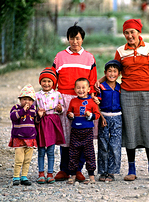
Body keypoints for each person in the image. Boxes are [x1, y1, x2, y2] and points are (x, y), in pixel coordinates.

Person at [95, 19, 149, 181]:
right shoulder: (120, 51)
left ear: (139, 32)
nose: (129, 35)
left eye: (132, 32)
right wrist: (100, 81)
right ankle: (131, 169)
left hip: (147, 93)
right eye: (126, 32)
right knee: (130, 130)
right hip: (126, 94)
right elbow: (114, 71)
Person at [52, 23, 97, 182]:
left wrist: (92, 99)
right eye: (72, 38)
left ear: (82, 39)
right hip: (64, 99)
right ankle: (64, 169)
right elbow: (53, 79)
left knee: (83, 135)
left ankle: (78, 169)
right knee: (66, 136)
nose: (75, 41)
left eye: (77, 38)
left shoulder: (89, 58)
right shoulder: (60, 56)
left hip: (83, 101)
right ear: (68, 39)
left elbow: (92, 81)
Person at [34, 67, 66, 184]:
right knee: (41, 150)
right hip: (42, 123)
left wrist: (59, 108)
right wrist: (38, 113)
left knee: (51, 150)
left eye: (49, 81)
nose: (46, 84)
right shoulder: (37, 95)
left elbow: (62, 108)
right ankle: (41, 174)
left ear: (53, 82)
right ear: (40, 82)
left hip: (52, 123)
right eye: (44, 81)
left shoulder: (57, 94)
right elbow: (33, 110)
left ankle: (50, 173)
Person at [66, 78, 100, 184]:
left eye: (83, 88)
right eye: (78, 88)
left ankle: (91, 177)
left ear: (89, 89)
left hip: (87, 132)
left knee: (89, 154)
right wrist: (70, 115)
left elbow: (97, 115)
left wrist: (91, 115)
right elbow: (69, 112)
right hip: (75, 132)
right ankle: (72, 175)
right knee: (73, 154)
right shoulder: (73, 101)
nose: (81, 90)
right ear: (75, 89)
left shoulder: (92, 102)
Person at [9, 84, 44, 186]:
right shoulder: (16, 108)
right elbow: (13, 117)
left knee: (27, 159)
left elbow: (35, 121)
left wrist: (40, 116)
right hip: (19, 138)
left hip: (31, 138)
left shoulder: (33, 109)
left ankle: (24, 176)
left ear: (33, 101)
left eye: (29, 100)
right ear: (20, 100)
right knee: (19, 159)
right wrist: (22, 110)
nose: (27, 102)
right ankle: (16, 177)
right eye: (24, 99)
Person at [97, 60, 122, 182]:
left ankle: (112, 172)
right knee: (103, 144)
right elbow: (96, 103)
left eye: (115, 71)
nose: (112, 74)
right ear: (105, 73)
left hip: (117, 118)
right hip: (104, 118)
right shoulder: (101, 87)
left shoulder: (120, 87)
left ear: (119, 74)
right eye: (109, 71)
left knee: (115, 145)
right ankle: (102, 172)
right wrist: (101, 117)